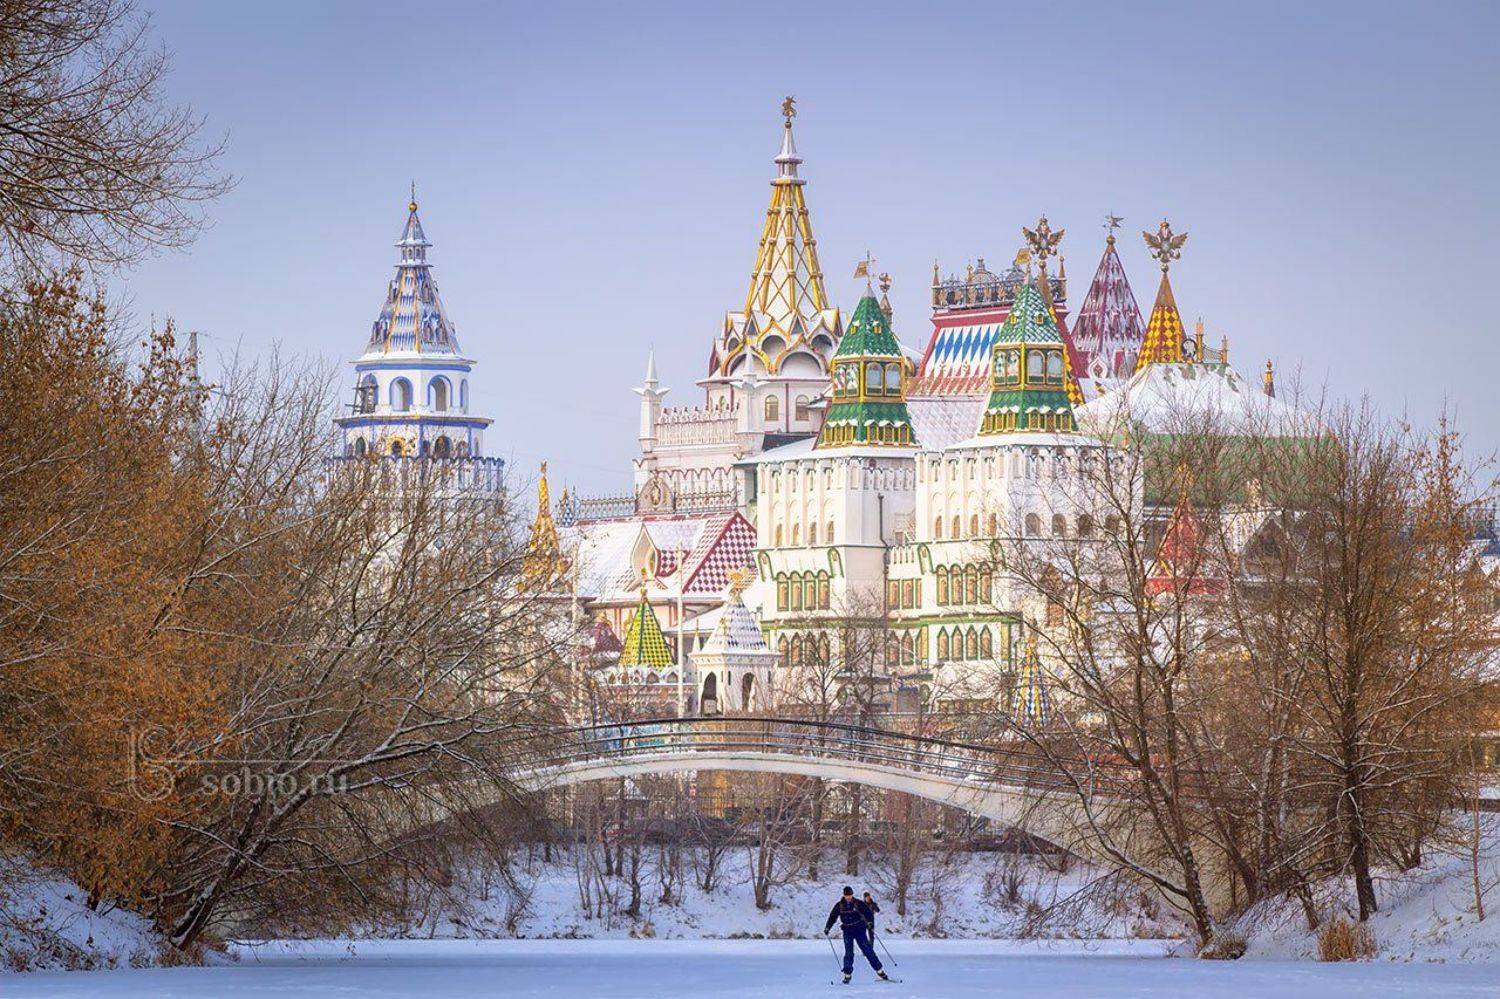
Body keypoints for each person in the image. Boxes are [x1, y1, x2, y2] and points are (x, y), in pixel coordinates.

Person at [823, 885, 887, 983]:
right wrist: (828, 927)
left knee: (867, 950)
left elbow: (868, 913)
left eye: (850, 895)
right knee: (849, 953)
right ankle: (847, 974)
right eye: (847, 895)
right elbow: (833, 916)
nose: (849, 897)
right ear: (844, 895)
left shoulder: (858, 903)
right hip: (847, 930)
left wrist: (869, 923)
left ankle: (880, 970)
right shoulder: (839, 905)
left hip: (859, 929)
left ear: (852, 895)